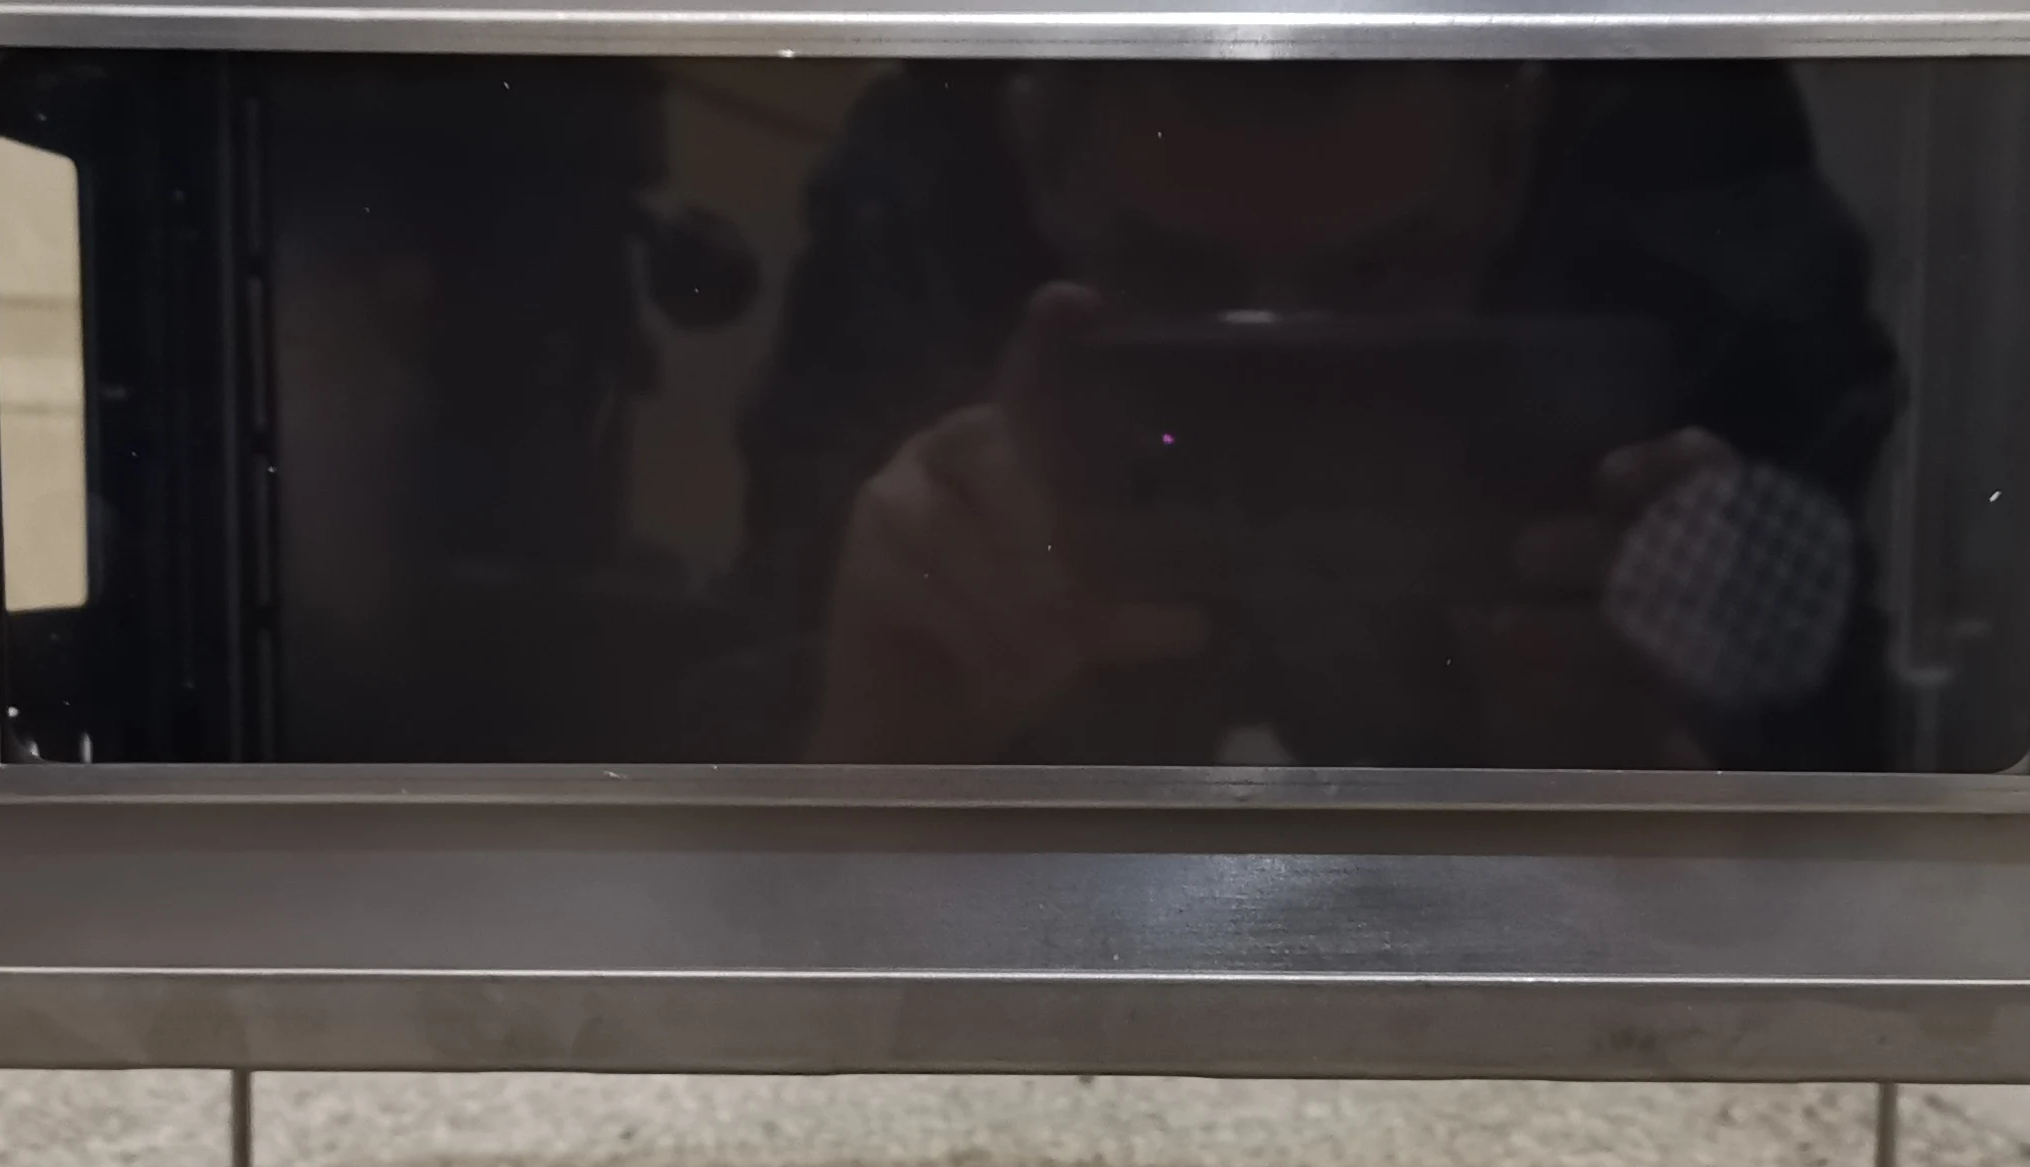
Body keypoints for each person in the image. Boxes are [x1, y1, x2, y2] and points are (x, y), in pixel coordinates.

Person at [707, 57, 1901, 771]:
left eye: (1382, 280)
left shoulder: (1712, 245)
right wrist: (886, 717)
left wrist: (1655, 758)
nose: (1281, 386)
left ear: (1513, 150)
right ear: (1036, 156)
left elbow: (1861, 862)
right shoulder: (920, 221)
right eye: (1175, 281)